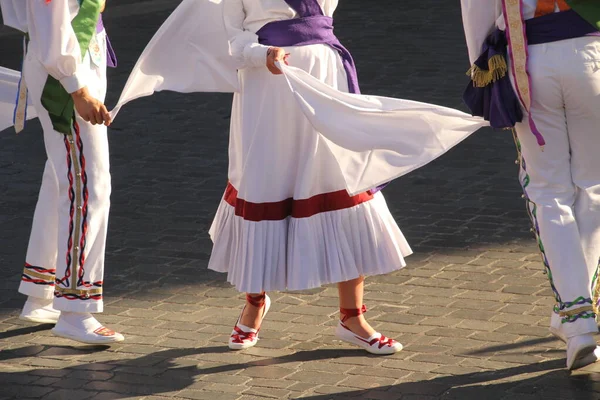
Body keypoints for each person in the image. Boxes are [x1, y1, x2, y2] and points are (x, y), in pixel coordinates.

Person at [109, 0, 486, 354]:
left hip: (324, 77)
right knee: (264, 179)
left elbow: (322, 20)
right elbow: (230, 39)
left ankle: (352, 317)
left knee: (339, 180)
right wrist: (261, 54)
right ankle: (254, 304)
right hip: (267, 85)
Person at [461, 0, 600, 369]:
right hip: (591, 52)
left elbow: (476, 13)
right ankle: (576, 314)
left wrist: (483, 67)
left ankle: (577, 317)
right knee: (594, 187)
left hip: (530, 60)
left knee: (549, 191)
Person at [0, 0, 123, 344]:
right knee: (88, 186)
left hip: (77, 57)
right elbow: (50, 22)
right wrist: (77, 87)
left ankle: (41, 292)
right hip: (66, 71)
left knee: (62, 178)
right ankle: (74, 308)